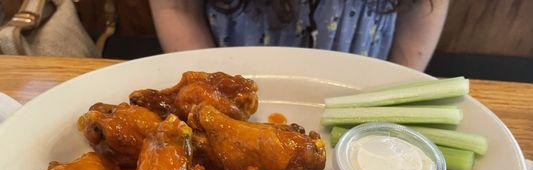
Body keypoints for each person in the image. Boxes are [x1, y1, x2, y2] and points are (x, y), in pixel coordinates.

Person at [148, 0, 449, 71]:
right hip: (229, 65)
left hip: (366, 67)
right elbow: (177, 7)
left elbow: (423, 6)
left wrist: (393, 97)